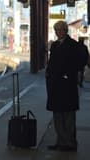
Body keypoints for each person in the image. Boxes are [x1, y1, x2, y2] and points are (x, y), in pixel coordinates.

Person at [45, 20, 84, 152]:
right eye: (56, 30)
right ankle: (61, 141)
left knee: (68, 115)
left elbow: (80, 60)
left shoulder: (73, 45)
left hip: (67, 85)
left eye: (60, 30)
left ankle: (70, 143)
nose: (57, 32)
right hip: (55, 86)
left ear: (65, 30)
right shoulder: (55, 45)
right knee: (57, 114)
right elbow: (52, 63)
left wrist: (69, 74)